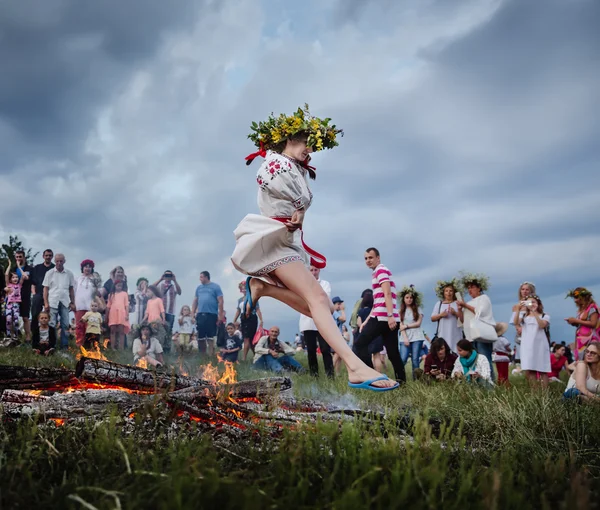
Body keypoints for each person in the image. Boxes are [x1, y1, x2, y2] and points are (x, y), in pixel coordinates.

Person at [232, 107, 397, 390]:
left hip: (287, 242)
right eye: (309, 143)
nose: (311, 151)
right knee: (320, 300)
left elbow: (299, 201)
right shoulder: (275, 162)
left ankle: (263, 288)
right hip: (274, 242)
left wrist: (300, 210)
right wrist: (298, 205)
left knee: (315, 309)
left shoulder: (296, 168)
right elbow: (265, 177)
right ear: (290, 137)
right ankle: (355, 368)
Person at [456, 272, 498, 381]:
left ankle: (490, 383)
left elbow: (481, 312)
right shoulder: (469, 302)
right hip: (470, 336)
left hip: (481, 335)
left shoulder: (484, 298)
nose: (470, 290)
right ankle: (477, 383)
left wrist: (465, 305)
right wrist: (460, 309)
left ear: (479, 288)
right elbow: (462, 320)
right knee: (474, 362)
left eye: (473, 287)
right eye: (468, 288)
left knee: (485, 360)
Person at [299, 265, 334, 378]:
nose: (314, 272)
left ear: (319, 271)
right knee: (311, 350)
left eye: (316, 270)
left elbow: (324, 298)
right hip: (308, 320)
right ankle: (314, 376)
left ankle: (330, 375)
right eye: (311, 270)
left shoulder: (325, 284)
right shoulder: (303, 283)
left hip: (322, 320)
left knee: (325, 349)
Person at [515, 295, 551, 387]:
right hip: (527, 345)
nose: (532, 304)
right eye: (529, 302)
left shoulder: (544, 315)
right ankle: (534, 393)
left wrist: (534, 312)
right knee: (530, 370)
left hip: (540, 344)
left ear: (538, 303)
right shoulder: (524, 315)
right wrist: (518, 310)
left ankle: (545, 393)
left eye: (534, 302)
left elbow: (542, 325)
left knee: (543, 369)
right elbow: (516, 323)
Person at [42, 253, 75, 349]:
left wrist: (73, 302)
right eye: (57, 261)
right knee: (52, 323)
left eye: (61, 261)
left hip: (64, 301)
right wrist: (46, 303)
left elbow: (71, 289)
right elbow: (45, 289)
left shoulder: (69, 273)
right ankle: (52, 345)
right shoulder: (49, 273)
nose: (59, 263)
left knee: (65, 324)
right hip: (52, 301)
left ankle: (64, 346)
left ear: (64, 261)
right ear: (54, 261)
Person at [191, 271, 224, 356]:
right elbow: (195, 301)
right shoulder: (199, 288)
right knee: (200, 336)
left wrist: (220, 315)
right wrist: (192, 314)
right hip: (200, 314)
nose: (200, 279)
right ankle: (202, 355)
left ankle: (211, 355)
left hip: (211, 314)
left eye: (201, 277)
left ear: (206, 277)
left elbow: (220, 301)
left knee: (210, 336)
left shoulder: (215, 287)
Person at [398, 285, 426, 379]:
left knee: (415, 360)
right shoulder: (400, 311)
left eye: (411, 298)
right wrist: (405, 337)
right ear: (403, 299)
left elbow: (418, 323)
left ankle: (416, 381)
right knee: (402, 359)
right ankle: (401, 380)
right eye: (407, 297)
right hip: (405, 337)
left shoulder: (418, 309)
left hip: (417, 336)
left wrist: (407, 326)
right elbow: (401, 326)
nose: (409, 299)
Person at [565, 287, 599, 361]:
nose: (575, 300)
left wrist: (576, 321)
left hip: (590, 339)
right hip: (581, 340)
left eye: (577, 297)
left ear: (583, 297)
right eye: (574, 298)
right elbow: (583, 324)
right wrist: (574, 323)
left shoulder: (592, 308)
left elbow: (593, 323)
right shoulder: (582, 309)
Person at [233, 280, 264, 361]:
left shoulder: (253, 297)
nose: (244, 290)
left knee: (250, 338)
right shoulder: (240, 300)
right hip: (243, 318)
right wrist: (234, 320)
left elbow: (257, 309)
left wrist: (261, 320)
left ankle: (246, 358)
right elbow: (238, 310)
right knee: (246, 338)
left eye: (245, 288)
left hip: (251, 317)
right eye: (242, 288)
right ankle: (255, 357)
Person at [431, 279, 463, 353]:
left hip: (456, 333)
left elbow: (463, 319)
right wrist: (441, 315)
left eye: (451, 291)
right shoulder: (439, 304)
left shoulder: (457, 303)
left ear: (454, 292)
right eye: (446, 291)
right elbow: (432, 318)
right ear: (443, 293)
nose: (448, 293)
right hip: (442, 333)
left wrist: (455, 313)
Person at [74, 259, 100, 346]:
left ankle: (88, 345)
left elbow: (97, 293)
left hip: (90, 307)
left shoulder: (94, 279)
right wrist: (73, 303)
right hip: (79, 305)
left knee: (89, 326)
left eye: (89, 267)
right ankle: (79, 343)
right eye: (86, 266)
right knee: (79, 325)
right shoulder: (78, 279)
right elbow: (73, 291)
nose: (87, 268)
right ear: (82, 268)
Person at [154, 270, 182, 348]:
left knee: (169, 330)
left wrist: (175, 280)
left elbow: (179, 292)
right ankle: (159, 347)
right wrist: (160, 279)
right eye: (166, 275)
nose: (168, 277)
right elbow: (151, 288)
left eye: (169, 275)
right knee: (159, 330)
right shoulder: (160, 285)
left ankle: (167, 348)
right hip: (161, 311)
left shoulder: (173, 286)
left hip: (170, 311)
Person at [510, 282, 536, 361]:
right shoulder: (516, 306)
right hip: (520, 333)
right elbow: (515, 322)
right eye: (523, 289)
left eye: (527, 289)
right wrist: (518, 328)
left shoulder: (534, 304)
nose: (524, 291)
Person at [30, 249, 54, 324]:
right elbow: (33, 283)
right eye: (46, 255)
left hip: (51, 294)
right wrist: (34, 294)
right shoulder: (37, 268)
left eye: (50, 255)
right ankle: (34, 333)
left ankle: (50, 334)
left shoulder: (55, 268)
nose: (48, 257)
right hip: (38, 294)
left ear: (52, 257)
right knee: (35, 315)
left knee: (51, 316)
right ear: (43, 256)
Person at [14, 250, 34, 342]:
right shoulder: (13, 269)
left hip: (25, 296)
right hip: (14, 296)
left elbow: (26, 277)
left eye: (20, 257)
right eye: (17, 257)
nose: (18, 259)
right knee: (13, 317)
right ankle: (14, 337)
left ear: (24, 257)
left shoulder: (29, 268)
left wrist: (19, 267)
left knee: (25, 317)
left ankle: (28, 338)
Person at [106, 280, 130, 350]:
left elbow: (126, 305)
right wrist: (106, 317)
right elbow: (108, 306)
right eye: (118, 285)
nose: (119, 287)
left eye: (121, 285)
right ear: (114, 286)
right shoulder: (111, 295)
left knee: (121, 331)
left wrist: (127, 314)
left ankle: (121, 348)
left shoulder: (124, 294)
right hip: (113, 313)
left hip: (121, 313)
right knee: (113, 330)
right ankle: (113, 347)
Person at [4, 260, 23, 340]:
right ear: (10, 279)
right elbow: (6, 274)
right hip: (9, 304)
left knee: (16, 320)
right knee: (8, 319)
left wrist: (19, 266)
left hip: (16, 304)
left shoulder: (19, 285)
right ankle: (8, 335)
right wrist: (10, 264)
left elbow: (23, 275)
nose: (15, 278)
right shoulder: (9, 285)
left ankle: (16, 335)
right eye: (13, 277)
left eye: (16, 277)